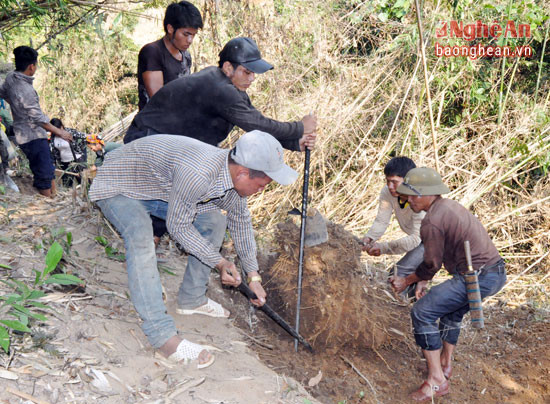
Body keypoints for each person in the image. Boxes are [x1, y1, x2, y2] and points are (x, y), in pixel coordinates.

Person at [89, 130, 298, 368]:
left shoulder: (230, 180)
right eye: (262, 185)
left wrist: (253, 276)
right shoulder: (199, 173)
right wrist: (220, 263)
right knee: (141, 234)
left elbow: (240, 222)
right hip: (118, 185)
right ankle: (163, 338)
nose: (261, 191)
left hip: (156, 190)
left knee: (214, 221)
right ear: (243, 173)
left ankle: (191, 299)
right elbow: (178, 227)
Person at [390, 167, 506, 402]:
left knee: (422, 313)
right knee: (451, 312)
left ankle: (436, 381)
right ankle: (444, 364)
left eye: (413, 195)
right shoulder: (448, 207)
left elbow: (431, 263)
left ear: (428, 194)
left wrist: (407, 280)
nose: (408, 200)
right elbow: (436, 258)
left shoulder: (432, 221)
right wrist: (422, 279)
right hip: (495, 273)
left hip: (478, 277)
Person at [125, 36, 317, 152]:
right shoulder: (219, 89)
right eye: (247, 72)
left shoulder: (227, 84)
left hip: (165, 141)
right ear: (228, 67)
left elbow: (256, 121)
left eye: (253, 74)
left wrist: (293, 142)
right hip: (147, 140)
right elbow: (257, 125)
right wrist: (299, 127)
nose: (251, 79)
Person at [0, 46, 72, 197]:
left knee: (47, 167)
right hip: (32, 136)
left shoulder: (11, 78)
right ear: (32, 66)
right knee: (44, 173)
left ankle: (54, 196)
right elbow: (38, 118)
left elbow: (3, 92)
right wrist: (61, 132)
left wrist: (16, 105)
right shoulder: (25, 89)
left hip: (22, 133)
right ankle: (49, 202)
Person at [361, 156, 425, 299]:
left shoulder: (419, 198)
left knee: (397, 274)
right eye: (388, 181)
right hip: (420, 240)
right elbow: (381, 221)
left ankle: (399, 309)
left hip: (433, 241)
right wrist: (369, 238)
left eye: (395, 182)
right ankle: (411, 305)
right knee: (409, 281)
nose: (390, 186)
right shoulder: (387, 193)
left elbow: (416, 239)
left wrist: (383, 248)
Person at [137, 1, 203, 111]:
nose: (190, 40)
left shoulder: (186, 56)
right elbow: (158, 100)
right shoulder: (152, 52)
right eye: (185, 34)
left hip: (177, 120)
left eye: (193, 35)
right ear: (170, 29)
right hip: (152, 124)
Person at [49, 118, 88, 187]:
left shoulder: (70, 132)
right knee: (67, 184)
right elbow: (54, 151)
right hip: (64, 163)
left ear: (61, 126)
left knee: (83, 182)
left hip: (77, 161)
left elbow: (84, 138)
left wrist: (73, 141)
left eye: (58, 129)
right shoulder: (53, 137)